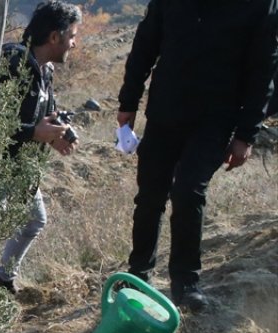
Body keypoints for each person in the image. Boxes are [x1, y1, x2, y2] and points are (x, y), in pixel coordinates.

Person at [117, 0, 278, 311]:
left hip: (216, 119)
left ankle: (187, 281)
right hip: (165, 111)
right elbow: (146, 44)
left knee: (189, 191)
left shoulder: (260, 5)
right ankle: (138, 274)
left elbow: (263, 70)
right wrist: (129, 100)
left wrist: (246, 135)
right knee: (150, 195)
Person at [0, 1, 83, 295]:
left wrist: (58, 132)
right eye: (71, 35)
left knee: (34, 220)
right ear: (54, 37)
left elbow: (46, 115)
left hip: (21, 166)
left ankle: (3, 281)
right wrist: (35, 132)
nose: (74, 42)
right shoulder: (14, 61)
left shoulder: (44, 71)